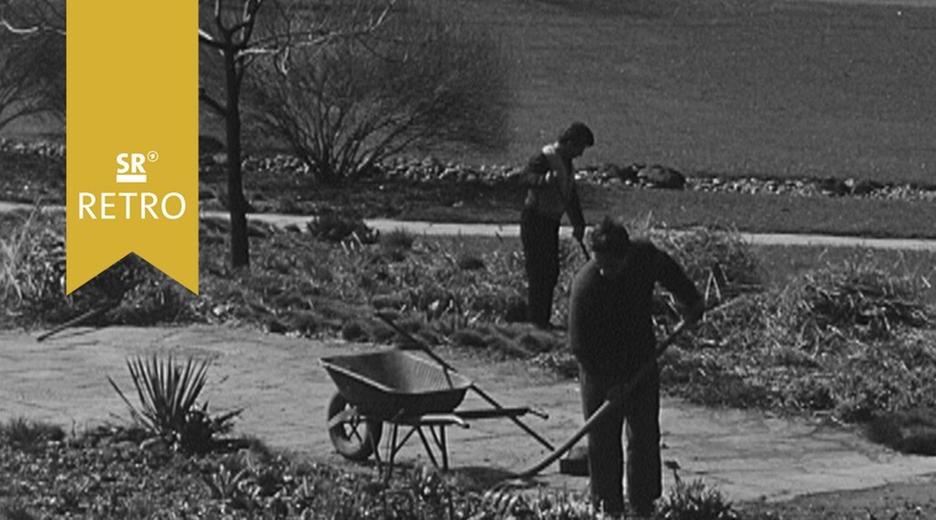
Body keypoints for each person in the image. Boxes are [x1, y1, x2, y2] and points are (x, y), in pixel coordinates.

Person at [568, 216, 705, 518]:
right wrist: (608, 383)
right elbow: (580, 346)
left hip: (640, 357)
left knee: (644, 434)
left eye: (611, 266)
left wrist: (692, 300)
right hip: (599, 368)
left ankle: (643, 503)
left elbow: (669, 271)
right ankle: (607, 506)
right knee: (603, 440)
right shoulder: (587, 285)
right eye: (599, 264)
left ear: (625, 255)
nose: (605, 271)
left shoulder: (643, 257)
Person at [519, 122, 593, 329]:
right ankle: (536, 320)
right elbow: (525, 178)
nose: (580, 154)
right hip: (534, 220)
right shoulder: (543, 158)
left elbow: (571, 196)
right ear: (569, 142)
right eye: (579, 148)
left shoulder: (567, 164)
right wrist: (543, 180)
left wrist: (578, 223)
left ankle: (543, 318)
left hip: (551, 222)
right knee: (538, 271)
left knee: (551, 271)